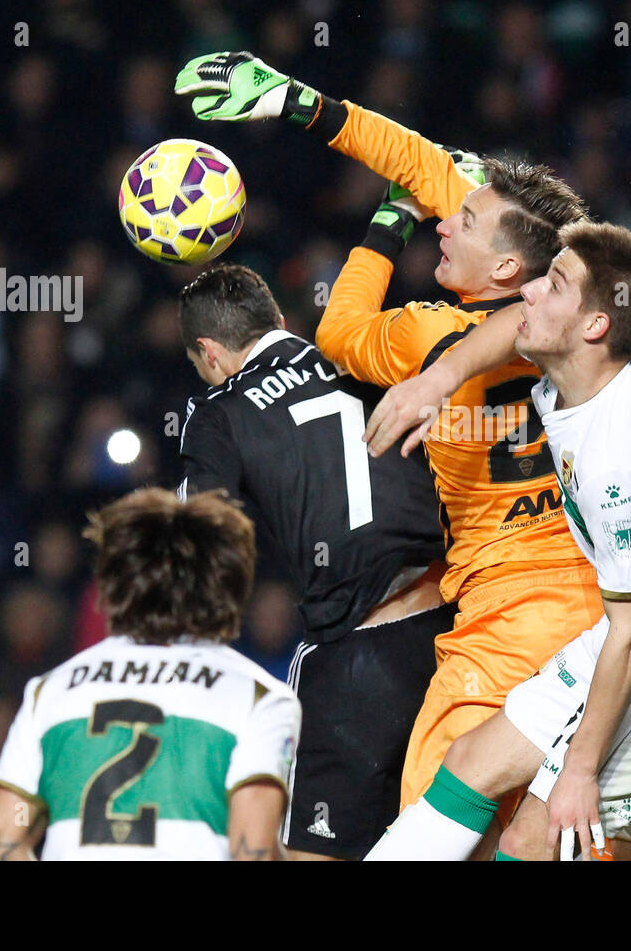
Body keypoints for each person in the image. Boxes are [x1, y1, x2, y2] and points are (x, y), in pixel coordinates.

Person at [174, 52, 620, 837]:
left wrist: (375, 204)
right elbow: (432, 167)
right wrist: (305, 105)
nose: (447, 220)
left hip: (505, 612)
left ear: (506, 264)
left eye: (464, 221)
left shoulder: (426, 335)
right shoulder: (584, 319)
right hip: (606, 594)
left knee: (434, 823)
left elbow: (340, 332)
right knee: (586, 824)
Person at [361, 221, 631, 860]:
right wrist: (437, 380)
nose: (529, 292)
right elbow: (511, 325)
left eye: (554, 284)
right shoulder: (615, 352)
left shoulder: (612, 462)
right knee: (472, 759)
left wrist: (579, 770)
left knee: (543, 834)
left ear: (593, 326)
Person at [175, 264, 452, 860]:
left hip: (359, 659)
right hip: (462, 632)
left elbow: (204, 531)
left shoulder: (219, 412)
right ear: (279, 321)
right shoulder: (364, 353)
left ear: (209, 353)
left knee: (310, 854)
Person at [0, 488, 299, 860]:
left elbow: (0, 843)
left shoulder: (51, 690)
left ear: (114, 584)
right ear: (227, 584)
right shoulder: (258, 696)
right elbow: (253, 851)